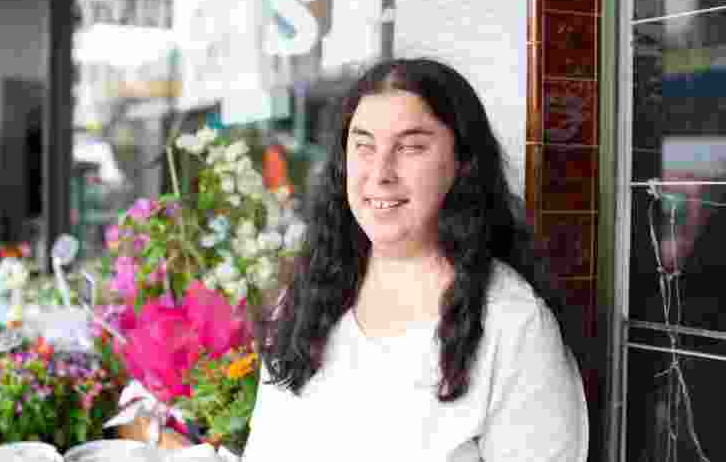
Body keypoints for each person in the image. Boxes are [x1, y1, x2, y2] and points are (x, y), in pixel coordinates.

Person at [243, 58, 589, 461]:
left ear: (462, 163)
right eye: (364, 146)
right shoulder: (304, 302)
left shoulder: (512, 325)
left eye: (410, 147)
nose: (380, 172)